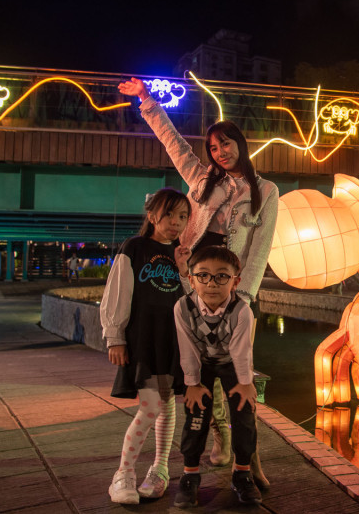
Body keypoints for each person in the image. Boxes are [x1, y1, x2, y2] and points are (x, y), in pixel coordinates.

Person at [118, 77, 277, 482]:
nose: (220, 152)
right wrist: (147, 101)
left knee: (234, 370)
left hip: (230, 286)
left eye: (226, 144)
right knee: (198, 370)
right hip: (191, 281)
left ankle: (234, 445)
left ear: (240, 143)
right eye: (213, 147)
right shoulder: (200, 180)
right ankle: (208, 443)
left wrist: (243, 296)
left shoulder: (265, 191)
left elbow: (260, 247)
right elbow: (173, 143)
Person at [100, 188, 191, 504]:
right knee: (151, 406)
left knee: (165, 405)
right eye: (169, 214)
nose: (175, 223)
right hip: (143, 340)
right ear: (152, 214)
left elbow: (191, 301)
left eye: (182, 216)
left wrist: (183, 270)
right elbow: (118, 292)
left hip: (170, 342)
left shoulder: (181, 253)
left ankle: (160, 469)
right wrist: (116, 336)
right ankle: (123, 474)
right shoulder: (134, 247)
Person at [172, 245, 262, 507]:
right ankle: (190, 476)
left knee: (245, 414)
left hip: (232, 363)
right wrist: (193, 384)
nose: (212, 283)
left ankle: (242, 472)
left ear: (236, 280)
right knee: (196, 413)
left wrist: (245, 384)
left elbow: (241, 351)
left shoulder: (241, 310)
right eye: (203, 275)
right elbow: (187, 348)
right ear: (191, 279)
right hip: (201, 363)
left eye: (222, 276)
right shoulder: (182, 308)